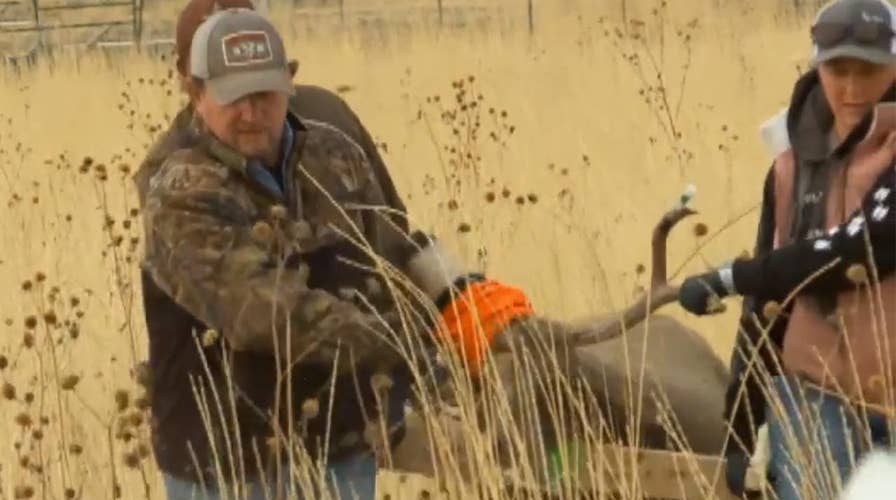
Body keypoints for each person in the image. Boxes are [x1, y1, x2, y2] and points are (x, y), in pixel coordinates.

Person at [134, 7, 436, 499]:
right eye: (234, 98)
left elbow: (389, 261)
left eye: (263, 94)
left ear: (290, 82)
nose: (251, 114)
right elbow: (267, 313)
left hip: (337, 447)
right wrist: (413, 347)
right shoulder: (179, 192)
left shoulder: (335, 156)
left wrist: (457, 302)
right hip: (225, 461)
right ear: (196, 92)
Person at [678, 1, 896, 498]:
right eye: (839, 69)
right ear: (817, 64)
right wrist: (740, 430)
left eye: (871, 70)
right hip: (812, 402)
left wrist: (733, 276)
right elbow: (770, 304)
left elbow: (865, 247)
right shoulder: (790, 168)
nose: (853, 88)